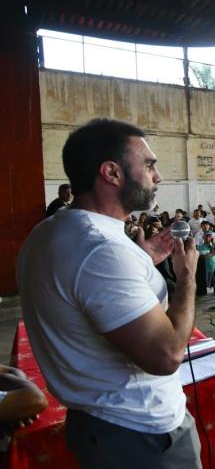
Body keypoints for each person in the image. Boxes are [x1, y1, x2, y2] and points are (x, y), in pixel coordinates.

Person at [17, 119, 202, 468]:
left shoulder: (49, 233)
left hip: (98, 422)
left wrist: (142, 261)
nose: (157, 176)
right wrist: (187, 277)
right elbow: (166, 355)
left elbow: (90, 291)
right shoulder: (102, 250)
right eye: (149, 165)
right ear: (112, 173)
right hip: (138, 432)